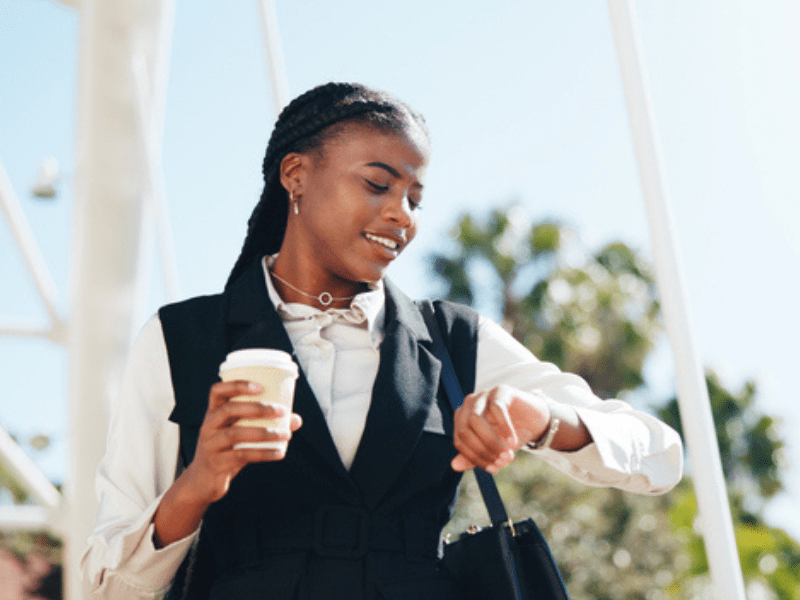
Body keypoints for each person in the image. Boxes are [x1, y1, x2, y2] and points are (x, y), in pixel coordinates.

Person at [81, 82, 683, 600]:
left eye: (414, 198)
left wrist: (543, 418)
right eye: (378, 184)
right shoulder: (181, 340)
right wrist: (199, 482)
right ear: (296, 175)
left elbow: (659, 455)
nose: (402, 216)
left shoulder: (452, 339)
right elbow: (105, 587)